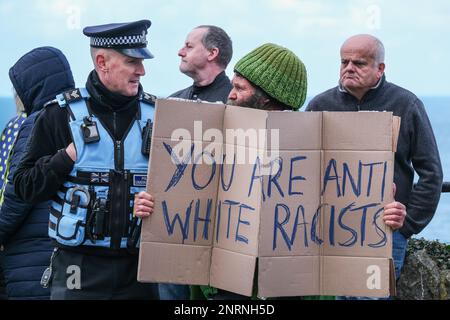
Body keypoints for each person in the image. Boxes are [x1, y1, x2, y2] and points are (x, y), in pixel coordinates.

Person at [13, 20, 159, 300]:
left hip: (139, 270)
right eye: (132, 61)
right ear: (102, 62)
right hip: (77, 269)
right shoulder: (59, 114)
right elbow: (24, 187)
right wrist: (64, 158)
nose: (142, 70)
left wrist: (157, 201)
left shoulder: (159, 116)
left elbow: (184, 190)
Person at [306, 34, 442, 284]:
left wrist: (407, 225)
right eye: (344, 61)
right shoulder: (319, 105)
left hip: (385, 233)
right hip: (332, 231)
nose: (349, 68)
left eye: (359, 63)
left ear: (380, 69)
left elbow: (432, 172)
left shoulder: (406, 103)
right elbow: (305, 168)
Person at [157, 25, 233, 300]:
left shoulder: (236, 104)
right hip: (175, 227)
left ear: (213, 53)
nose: (181, 51)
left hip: (222, 233)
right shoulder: (174, 102)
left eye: (189, 46)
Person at [0, 47, 75, 300]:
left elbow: (18, 194)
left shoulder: (34, 123)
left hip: (31, 255)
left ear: (31, 87)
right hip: (64, 248)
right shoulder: (78, 116)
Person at [171, 25, 233, 103]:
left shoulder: (237, 102)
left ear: (212, 53)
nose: (180, 53)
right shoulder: (173, 100)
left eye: (189, 46)